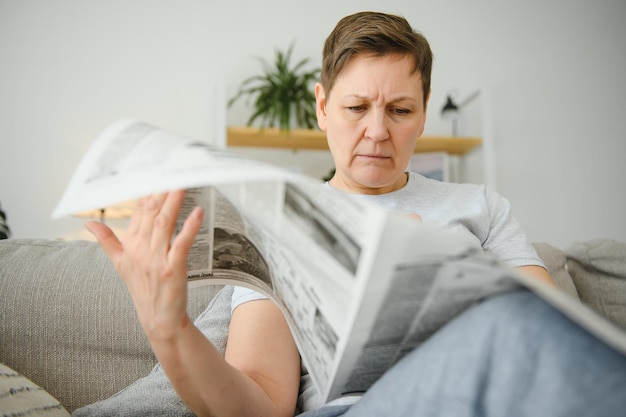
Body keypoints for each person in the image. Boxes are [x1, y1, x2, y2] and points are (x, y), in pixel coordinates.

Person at [85, 11, 626, 417]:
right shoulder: (281, 225)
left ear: (424, 111)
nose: (376, 131)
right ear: (322, 106)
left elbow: (547, 328)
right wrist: (171, 329)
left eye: (400, 110)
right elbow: (259, 405)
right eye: (355, 108)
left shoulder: (478, 207)